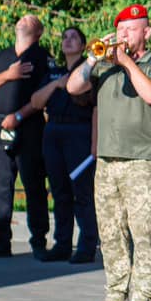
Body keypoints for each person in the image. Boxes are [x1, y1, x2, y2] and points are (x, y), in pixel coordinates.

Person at [65, 4, 151, 301]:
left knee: (143, 233)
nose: (124, 34)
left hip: (140, 161)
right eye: (120, 28)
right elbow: (73, 87)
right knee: (110, 233)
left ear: (146, 32)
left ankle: (141, 299)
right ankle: (115, 297)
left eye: (131, 28)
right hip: (107, 161)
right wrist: (94, 57)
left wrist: (126, 62)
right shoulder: (104, 67)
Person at [0, 14, 52, 260]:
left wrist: (19, 116)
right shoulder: (0, 57)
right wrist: (8, 75)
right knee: (0, 186)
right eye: (22, 18)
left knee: (34, 185)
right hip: (0, 127)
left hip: (29, 128)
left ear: (38, 32)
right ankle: (0, 242)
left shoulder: (43, 58)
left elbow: (44, 96)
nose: (24, 18)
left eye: (31, 19)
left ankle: (39, 241)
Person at [30, 26, 98, 264]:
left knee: (82, 192)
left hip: (79, 132)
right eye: (65, 37)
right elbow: (36, 102)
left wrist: (95, 142)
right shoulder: (54, 73)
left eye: (74, 38)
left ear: (82, 45)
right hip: (54, 132)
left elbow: (97, 108)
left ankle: (87, 244)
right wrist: (56, 85)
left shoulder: (89, 71)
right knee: (59, 191)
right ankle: (62, 244)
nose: (68, 41)